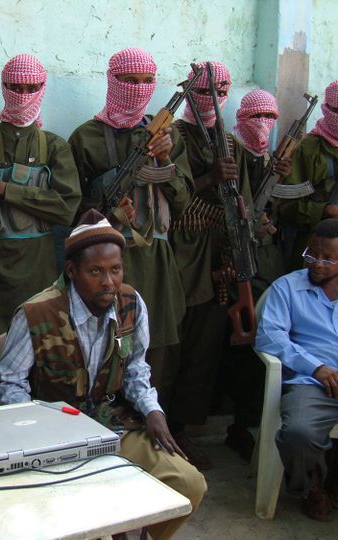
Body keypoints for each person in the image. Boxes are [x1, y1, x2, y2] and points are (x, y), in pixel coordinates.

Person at [0, 210, 206, 540]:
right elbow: (11, 383)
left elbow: (136, 368)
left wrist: (153, 410)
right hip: (56, 436)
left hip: (113, 425)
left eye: (115, 269)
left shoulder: (131, 304)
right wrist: (35, 437)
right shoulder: (37, 313)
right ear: (71, 271)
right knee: (83, 512)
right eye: (96, 271)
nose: (108, 281)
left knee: (188, 483)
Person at [68, 47, 193, 406]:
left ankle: (156, 423)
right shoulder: (86, 137)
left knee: (161, 345)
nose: (138, 88)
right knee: (108, 342)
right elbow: (71, 209)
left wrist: (166, 158)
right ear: (111, 80)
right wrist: (106, 211)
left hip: (157, 257)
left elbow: (183, 200)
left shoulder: (168, 136)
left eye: (146, 81)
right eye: (128, 80)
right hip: (106, 262)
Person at [0, 53, 81, 337]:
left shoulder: (54, 147)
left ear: (42, 89)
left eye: (32, 88)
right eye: (16, 87)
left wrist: (7, 190)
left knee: (35, 344)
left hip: (36, 266)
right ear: (3, 88)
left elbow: (65, 209)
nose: (24, 95)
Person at [166, 60, 254, 469]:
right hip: (183, 254)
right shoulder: (176, 135)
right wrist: (210, 179)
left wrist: (243, 212)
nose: (211, 98)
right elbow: (176, 199)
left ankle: (183, 429)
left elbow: (244, 204)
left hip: (221, 252)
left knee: (204, 351)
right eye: (204, 90)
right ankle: (161, 428)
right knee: (173, 346)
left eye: (219, 90)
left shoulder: (230, 143)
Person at [219, 89, 291, 460]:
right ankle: (239, 425)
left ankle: (252, 421)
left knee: (265, 342)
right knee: (242, 350)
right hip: (239, 265)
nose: (264, 124)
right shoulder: (235, 156)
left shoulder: (268, 160)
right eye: (257, 115)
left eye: (271, 117)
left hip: (268, 266)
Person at [255, 218, 338, 521]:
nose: (317, 263)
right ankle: (312, 487)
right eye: (311, 253)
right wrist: (315, 367)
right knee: (298, 433)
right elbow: (270, 336)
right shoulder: (287, 287)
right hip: (310, 384)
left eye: (328, 258)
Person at [277, 80, 338, 270]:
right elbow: (286, 206)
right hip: (317, 250)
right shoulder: (309, 148)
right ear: (327, 109)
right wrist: (325, 211)